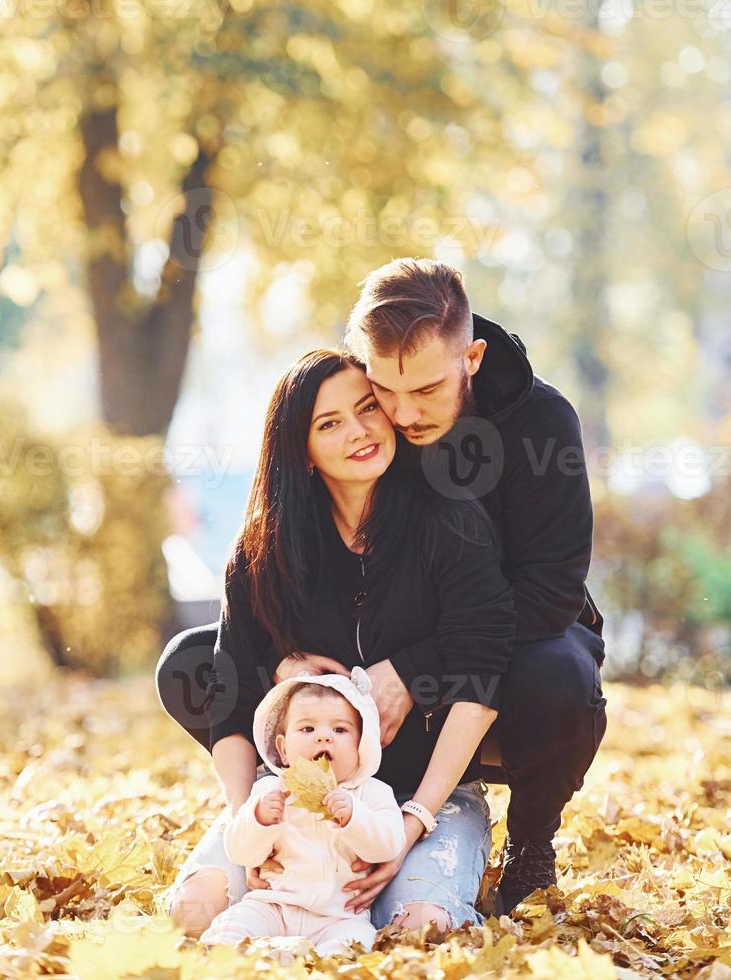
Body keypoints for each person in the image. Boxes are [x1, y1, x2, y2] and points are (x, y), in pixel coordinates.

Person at [158, 258, 607, 919]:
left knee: (555, 673)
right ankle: (302, 793)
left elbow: (551, 593)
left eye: (424, 391)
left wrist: (416, 670)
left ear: (472, 358)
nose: (399, 414)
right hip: (381, 638)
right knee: (199, 662)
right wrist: (292, 664)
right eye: (380, 392)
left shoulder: (541, 425)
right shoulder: (363, 425)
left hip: (514, 643)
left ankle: (530, 844)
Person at [165, 349, 512, 939]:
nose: (360, 431)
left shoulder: (449, 520)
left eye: (368, 408)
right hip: (296, 806)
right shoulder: (261, 551)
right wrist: (248, 819)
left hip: (420, 797)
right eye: (330, 424)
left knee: (417, 932)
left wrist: (408, 828)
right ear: (300, 448)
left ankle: (405, 894)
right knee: (192, 914)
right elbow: (231, 692)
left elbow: (482, 672)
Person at [200, 669, 406, 955]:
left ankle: (319, 963)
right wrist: (258, 819)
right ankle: (229, 959)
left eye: (340, 730)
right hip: (273, 905)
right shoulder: (270, 791)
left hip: (339, 916)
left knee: (355, 943)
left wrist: (355, 818)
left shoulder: (371, 794)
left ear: (362, 744)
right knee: (234, 926)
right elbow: (240, 853)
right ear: (283, 749)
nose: (324, 738)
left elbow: (388, 846)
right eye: (308, 729)